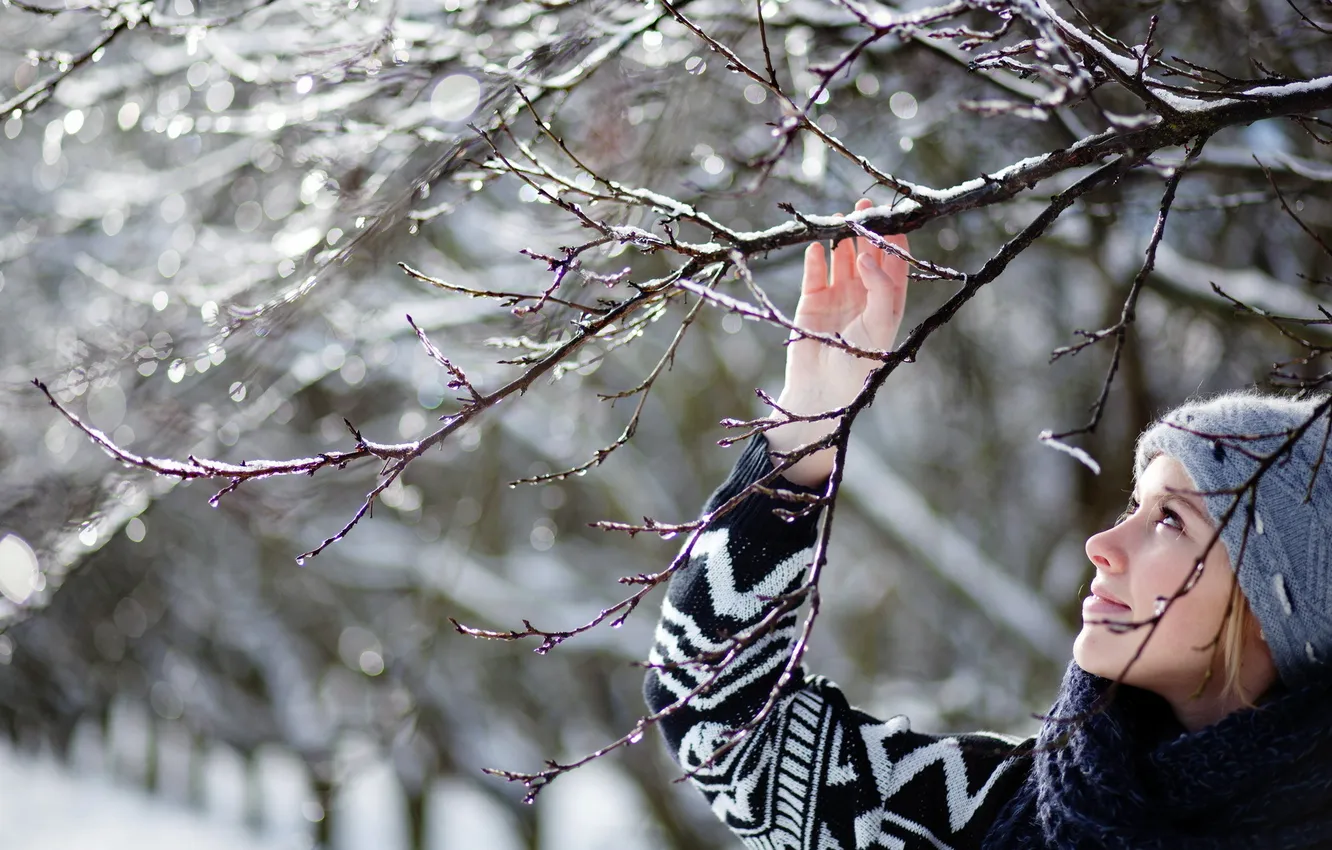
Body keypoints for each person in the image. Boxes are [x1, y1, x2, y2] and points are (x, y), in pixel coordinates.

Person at [643, 200, 1332, 849]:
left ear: (1280, 604)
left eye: (1171, 522)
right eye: (1134, 507)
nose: (1103, 546)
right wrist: (803, 439)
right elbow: (718, 721)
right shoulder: (998, 812)